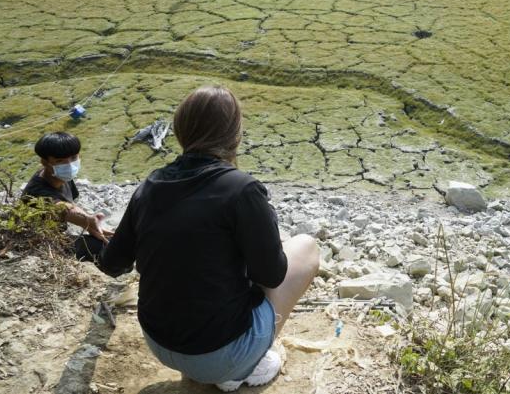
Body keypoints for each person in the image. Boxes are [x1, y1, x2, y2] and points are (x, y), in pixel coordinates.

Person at [98, 86, 319, 390]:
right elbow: (271, 274)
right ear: (235, 135)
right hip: (218, 357)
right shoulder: (242, 189)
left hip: (159, 343)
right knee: (304, 247)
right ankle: (243, 368)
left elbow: (113, 263)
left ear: (180, 131)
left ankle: (227, 362)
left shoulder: (150, 185)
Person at [22, 132, 113, 262]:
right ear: (45, 162)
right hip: (40, 244)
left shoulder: (61, 176)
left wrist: (89, 223)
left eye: (74, 157)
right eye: (60, 161)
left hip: (56, 234)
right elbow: (62, 208)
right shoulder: (37, 192)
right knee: (105, 248)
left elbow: (72, 205)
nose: (69, 164)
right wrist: (87, 220)